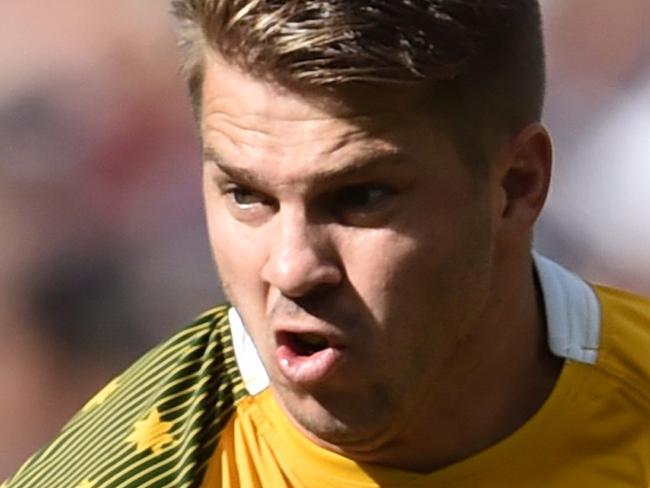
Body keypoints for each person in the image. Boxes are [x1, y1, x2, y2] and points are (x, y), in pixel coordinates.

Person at [4, 1, 650, 486]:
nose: (291, 268)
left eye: (360, 197)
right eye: (246, 195)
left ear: (516, 185)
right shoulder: (129, 469)